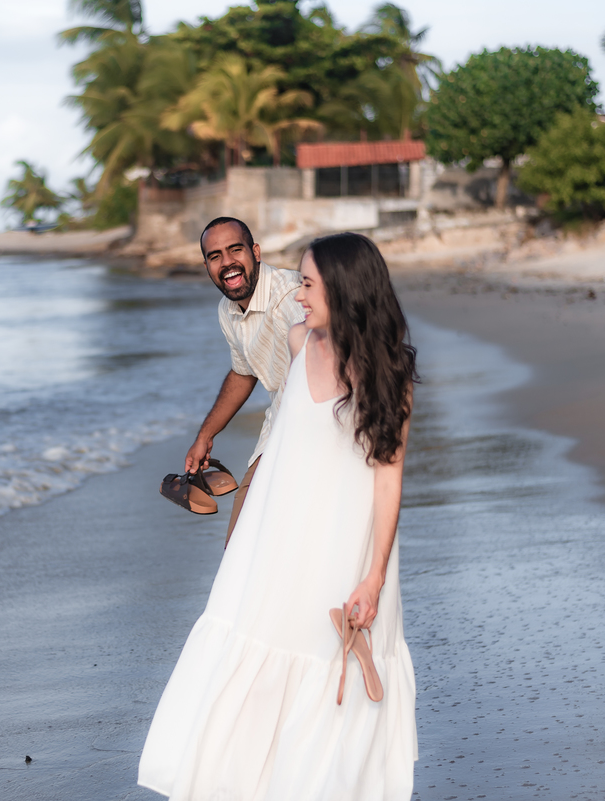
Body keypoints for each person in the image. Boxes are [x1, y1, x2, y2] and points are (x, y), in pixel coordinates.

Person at [138, 232, 419, 801]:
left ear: (344, 290)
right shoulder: (296, 340)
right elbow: (270, 408)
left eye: (309, 285)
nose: (299, 296)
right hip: (279, 532)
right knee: (257, 649)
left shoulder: (387, 376)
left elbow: (388, 479)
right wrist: (210, 439)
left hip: (344, 540)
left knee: (326, 664)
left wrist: (374, 576)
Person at [188, 217, 305, 546]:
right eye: (215, 256)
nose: (227, 262)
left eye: (235, 250)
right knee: (240, 547)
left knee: (251, 549)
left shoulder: (290, 297)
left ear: (255, 252)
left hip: (314, 433)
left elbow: (322, 362)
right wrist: (205, 435)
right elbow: (243, 371)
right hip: (277, 431)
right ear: (207, 267)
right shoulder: (228, 310)